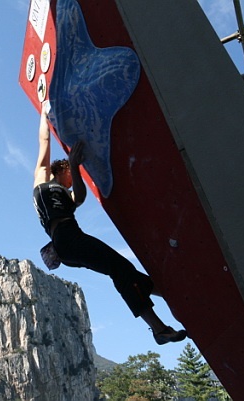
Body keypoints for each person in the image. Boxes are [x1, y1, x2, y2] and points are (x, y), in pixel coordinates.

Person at [32, 101, 187, 345]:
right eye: (70, 175)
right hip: (66, 239)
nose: (72, 181)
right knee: (119, 268)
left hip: (70, 241)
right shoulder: (42, 181)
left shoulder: (67, 193)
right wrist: (43, 113)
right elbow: (44, 142)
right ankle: (159, 328)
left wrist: (76, 168)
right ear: (61, 170)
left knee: (123, 270)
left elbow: (79, 198)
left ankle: (171, 298)